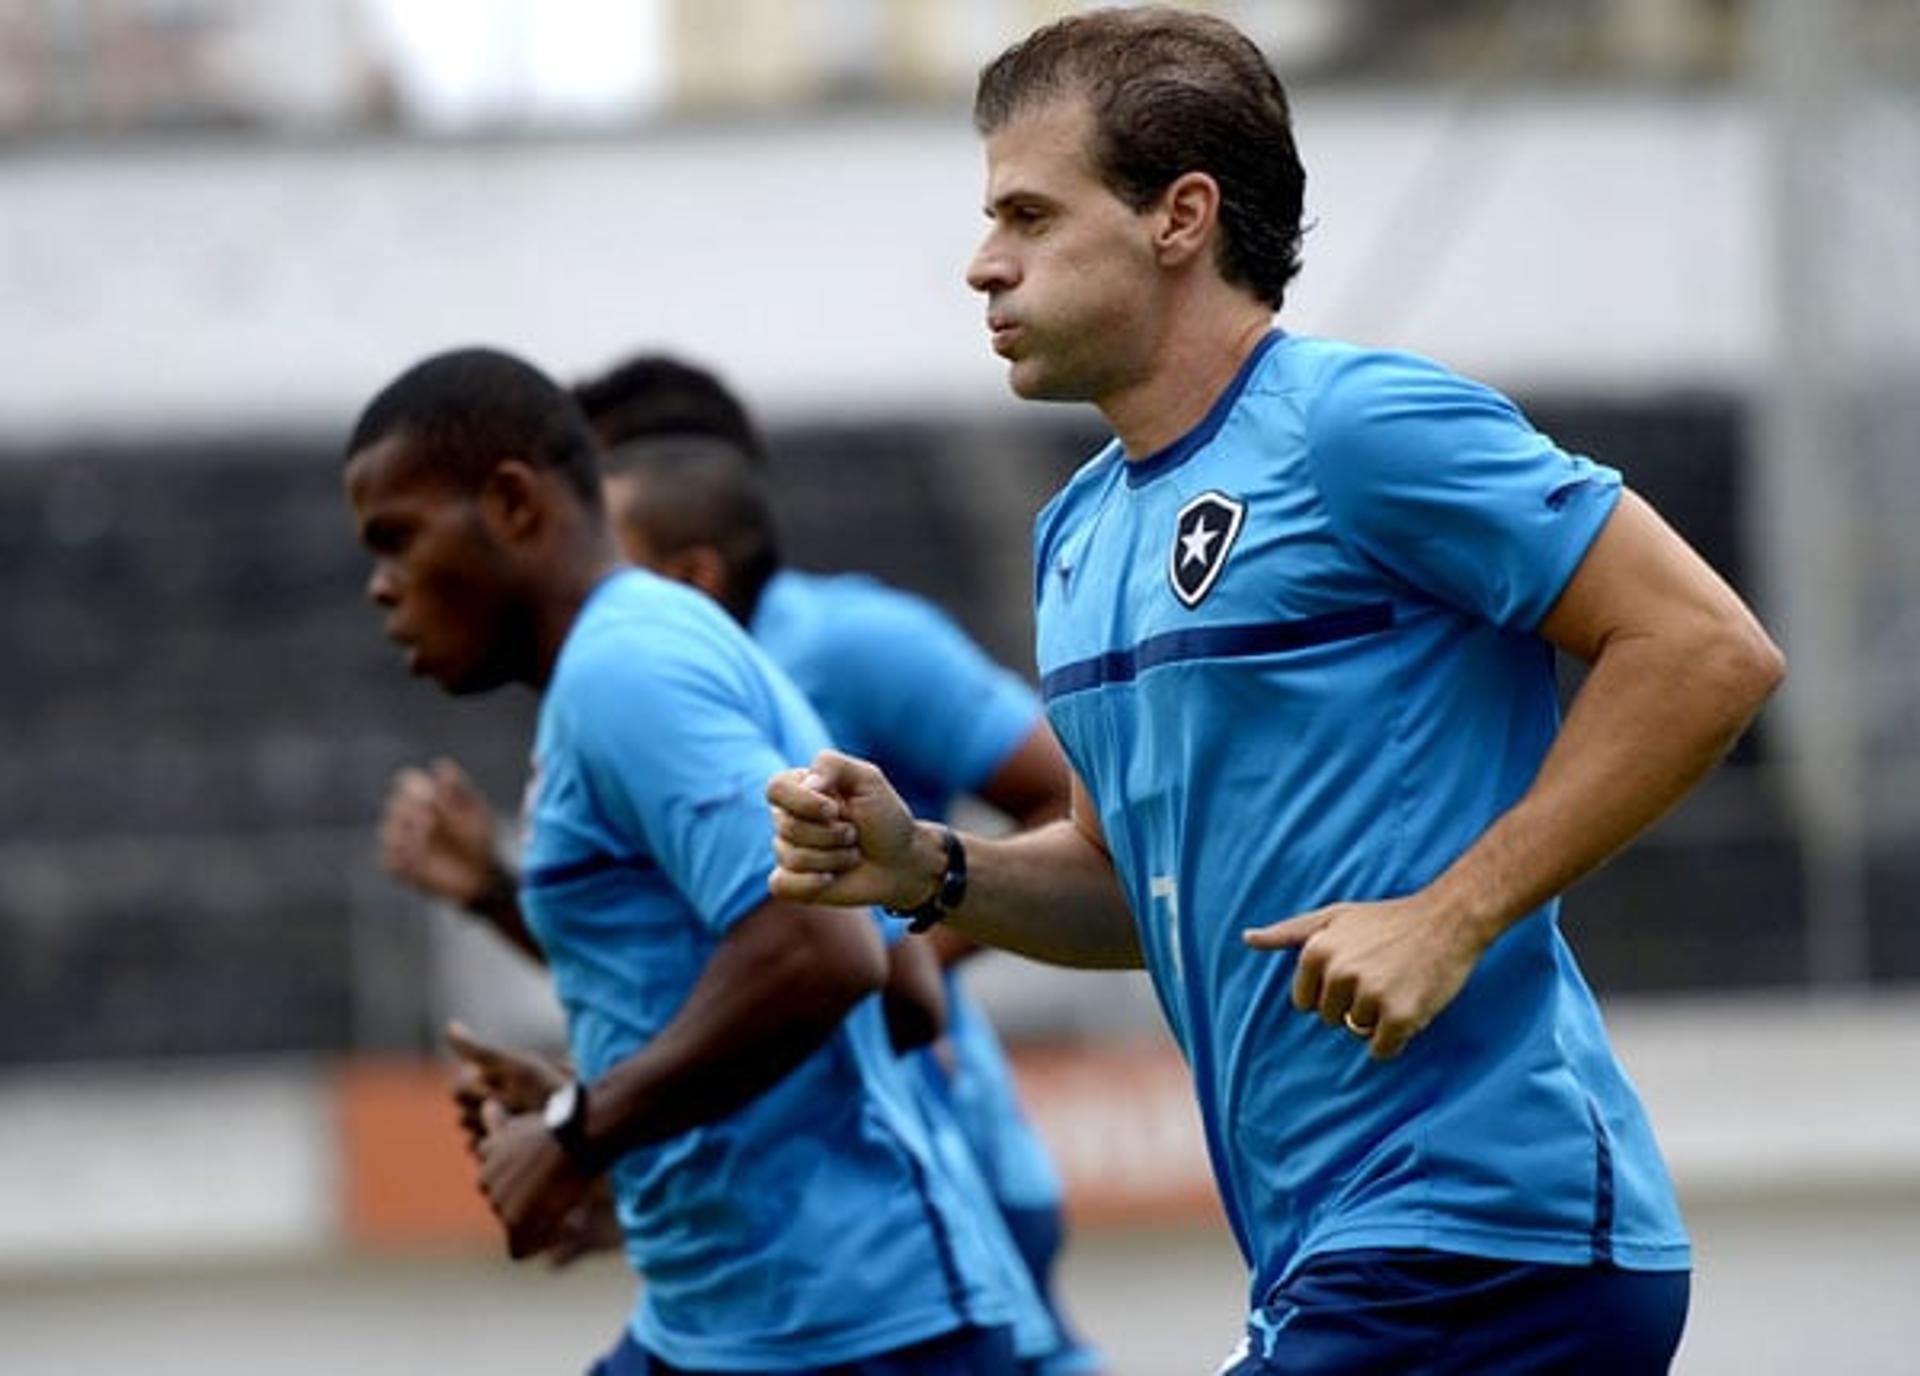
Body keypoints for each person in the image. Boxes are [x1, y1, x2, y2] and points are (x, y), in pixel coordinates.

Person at [766, 8, 1786, 1373]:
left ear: (1179, 217)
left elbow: (1707, 648)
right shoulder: (1077, 535)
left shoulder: (1358, 426)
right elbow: (1136, 888)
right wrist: (927, 867)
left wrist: (1450, 915)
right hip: (1333, 1251)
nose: (982, 265)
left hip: (1485, 1236)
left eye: (1027, 214)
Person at [381, 353, 1102, 1376]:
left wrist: (584, 1124)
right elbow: (736, 963)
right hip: (777, 1276)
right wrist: (610, 1122)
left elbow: (853, 957)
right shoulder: (655, 662)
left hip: (896, 1215)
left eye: (604, 489)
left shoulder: (686, 659)